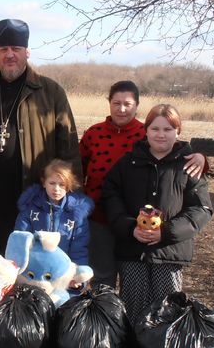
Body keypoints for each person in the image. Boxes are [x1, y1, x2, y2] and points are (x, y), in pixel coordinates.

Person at [0, 18, 81, 256]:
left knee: (28, 274)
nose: (10, 55)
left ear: (27, 52)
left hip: (34, 199)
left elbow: (68, 149)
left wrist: (69, 200)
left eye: (16, 49)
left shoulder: (51, 92)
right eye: (3, 49)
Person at [79, 81, 206, 288]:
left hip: (137, 221)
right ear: (109, 103)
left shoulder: (146, 133)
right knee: (102, 279)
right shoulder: (94, 133)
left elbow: (176, 157)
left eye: (127, 104)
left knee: (143, 285)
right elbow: (77, 169)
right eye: (116, 103)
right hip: (100, 217)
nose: (121, 109)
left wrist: (201, 158)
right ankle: (106, 317)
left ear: (137, 105)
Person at [102, 104, 213, 325]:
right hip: (132, 252)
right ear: (146, 131)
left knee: (168, 313)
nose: (161, 135)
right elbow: (110, 197)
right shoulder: (128, 162)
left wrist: (166, 232)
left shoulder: (189, 165)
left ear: (178, 131)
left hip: (169, 254)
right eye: (155, 129)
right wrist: (129, 227)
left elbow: (201, 209)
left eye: (168, 129)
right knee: (133, 312)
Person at [14, 159, 94, 265]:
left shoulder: (76, 213)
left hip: (62, 268)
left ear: (69, 186)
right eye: (52, 183)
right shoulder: (30, 208)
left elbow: (79, 248)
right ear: (44, 183)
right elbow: (21, 239)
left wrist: (77, 273)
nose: (56, 189)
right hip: (35, 268)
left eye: (62, 184)